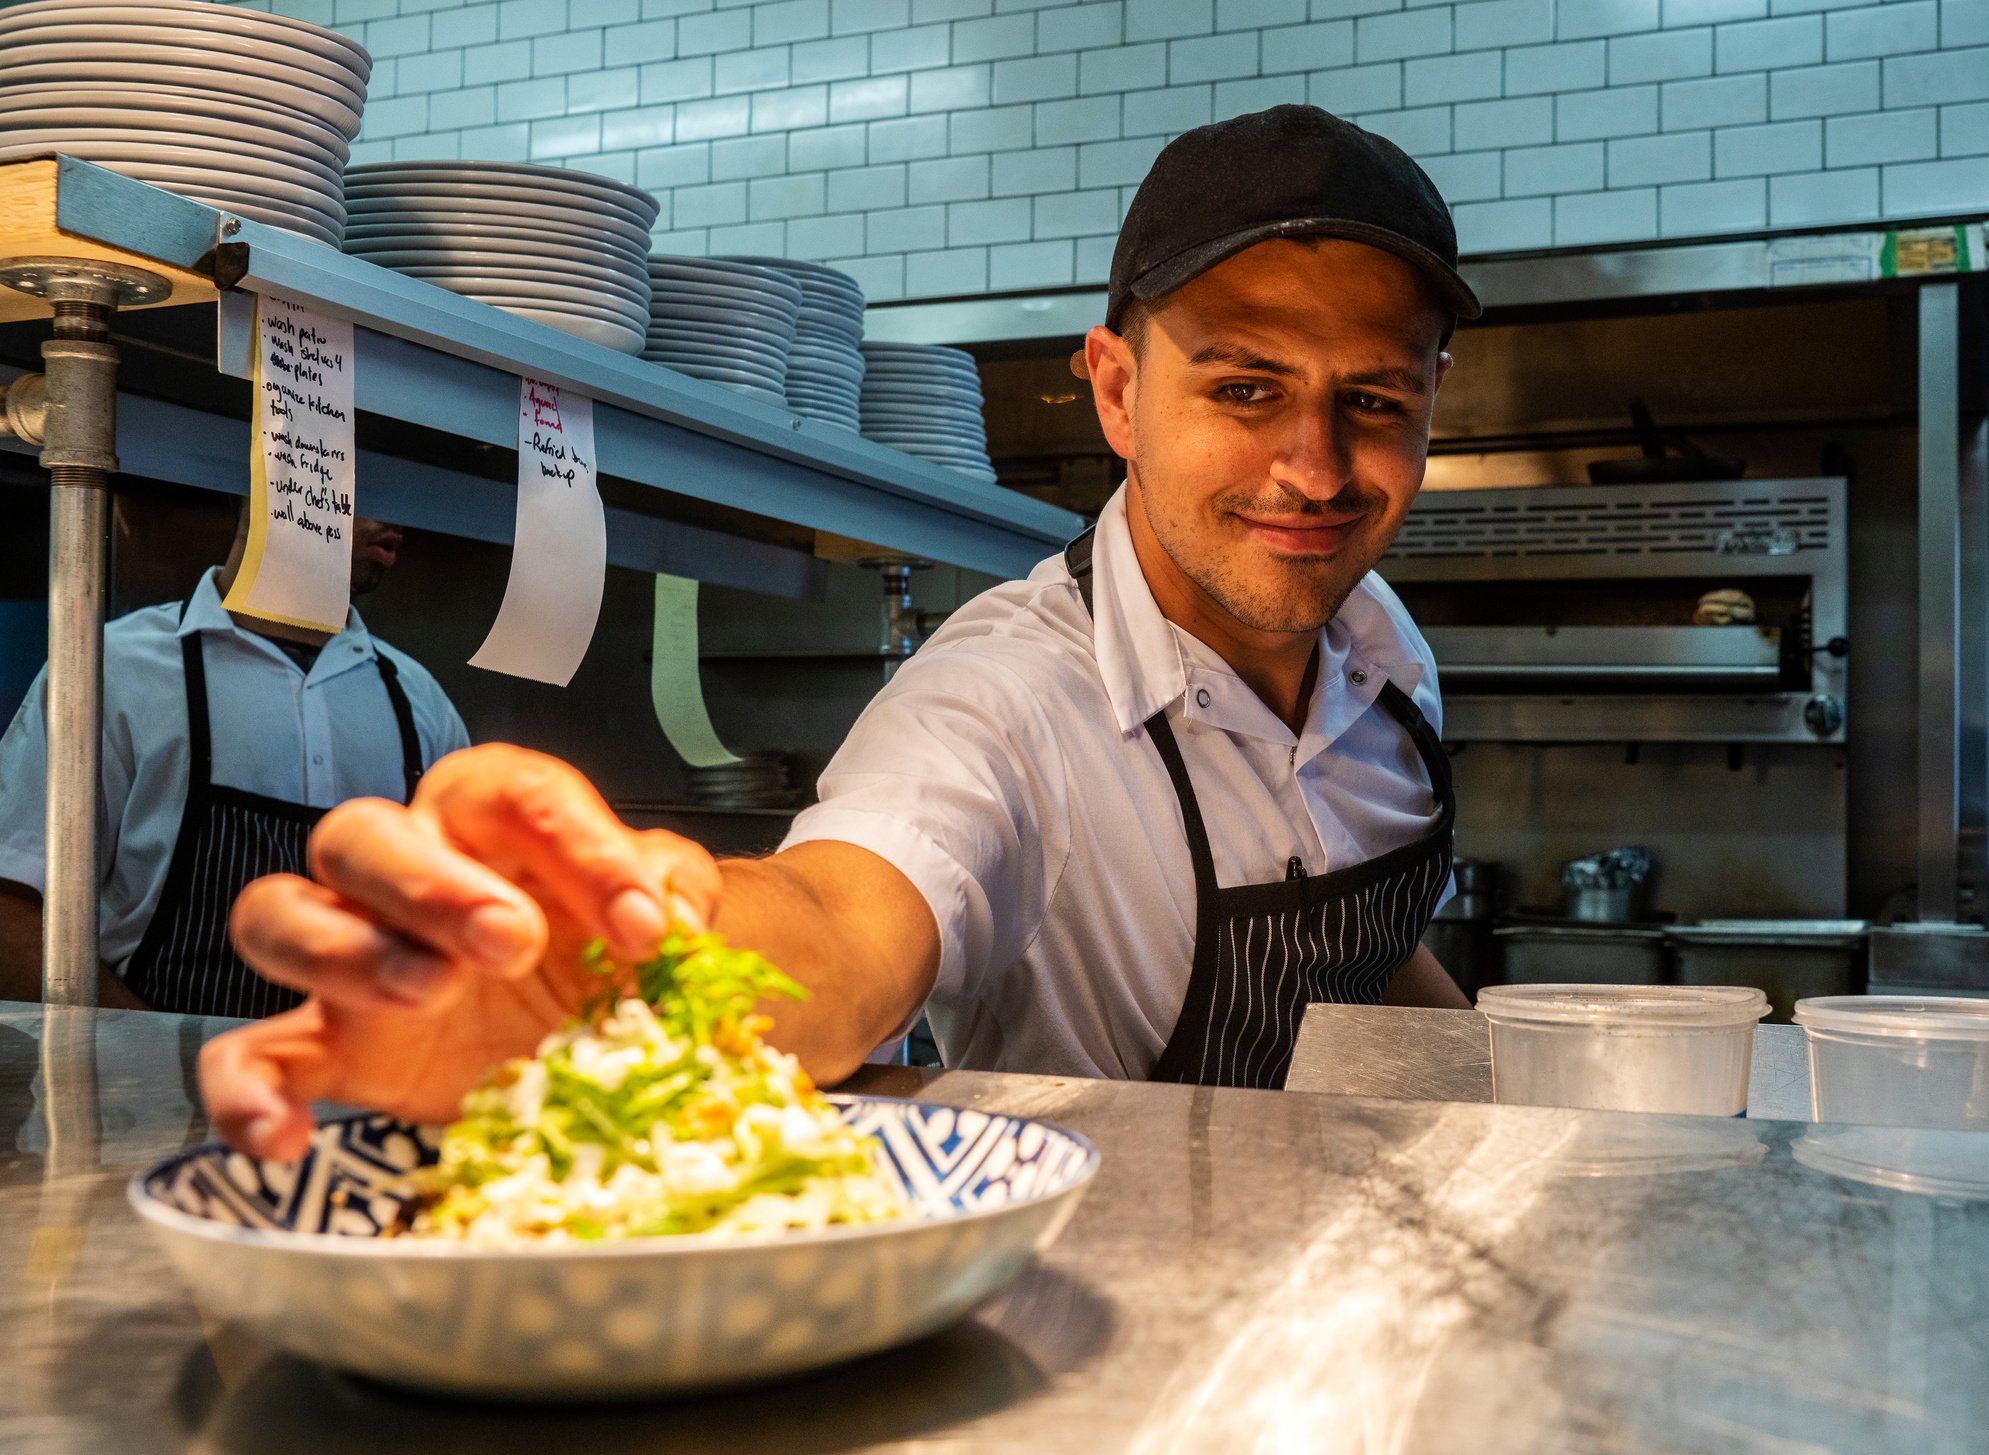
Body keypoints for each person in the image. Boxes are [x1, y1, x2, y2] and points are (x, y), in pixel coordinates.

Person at [205, 105, 1482, 1160]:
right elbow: (841, 918)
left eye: (1371, 400)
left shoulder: (1381, 645)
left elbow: (1360, 941)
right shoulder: (1010, 697)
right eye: (1245, 386)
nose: (1315, 470)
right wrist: (627, 990)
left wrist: (1507, 1087)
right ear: (1117, 389)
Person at [0, 507, 470, 1015]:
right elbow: (11, 908)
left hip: (359, 1082)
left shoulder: (419, 700)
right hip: (149, 1084)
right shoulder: (111, 668)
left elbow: (458, 925)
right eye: (363, 480)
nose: (396, 513)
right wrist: (139, 1061)